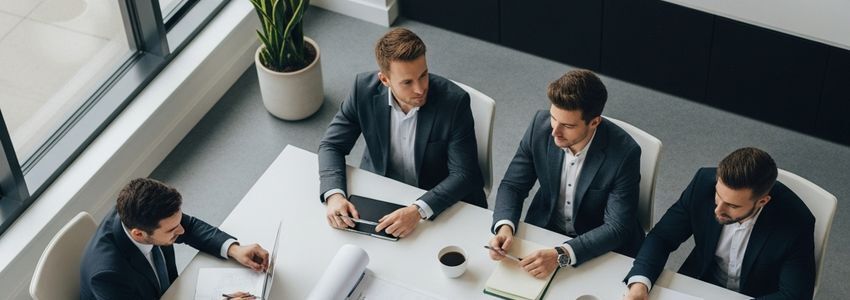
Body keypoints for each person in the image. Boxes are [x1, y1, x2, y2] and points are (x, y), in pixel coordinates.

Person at [317, 27, 485, 238]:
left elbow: (464, 174)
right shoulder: (362, 90)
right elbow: (331, 145)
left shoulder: (455, 102)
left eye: (423, 75)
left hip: (437, 199)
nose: (420, 89)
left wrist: (418, 210)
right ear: (384, 80)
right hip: (382, 189)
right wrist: (334, 196)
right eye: (407, 82)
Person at [488, 70, 645, 279]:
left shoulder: (625, 154)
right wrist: (505, 226)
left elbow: (616, 227)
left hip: (601, 246)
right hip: (547, 228)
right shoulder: (540, 126)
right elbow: (512, 185)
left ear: (595, 122)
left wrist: (562, 254)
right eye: (554, 118)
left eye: (568, 125)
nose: (554, 132)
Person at [623, 147, 816, 300]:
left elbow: (795, 295)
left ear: (762, 201)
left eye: (732, 205)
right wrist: (640, 283)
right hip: (700, 282)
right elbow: (662, 237)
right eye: (718, 195)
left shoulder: (797, 222)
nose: (718, 209)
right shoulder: (702, 184)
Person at [80, 178, 269, 300]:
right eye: (172, 229)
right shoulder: (108, 276)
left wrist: (235, 249)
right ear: (139, 234)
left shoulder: (138, 213)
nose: (181, 230)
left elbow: (190, 227)